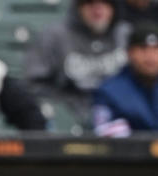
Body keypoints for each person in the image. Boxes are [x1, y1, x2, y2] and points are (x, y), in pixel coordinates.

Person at [23, 0, 128, 128]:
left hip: (121, 115)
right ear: (78, 7)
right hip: (68, 115)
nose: (98, 9)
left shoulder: (126, 35)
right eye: (90, 3)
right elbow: (34, 83)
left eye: (105, 3)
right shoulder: (55, 36)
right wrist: (65, 103)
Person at [92, 21, 158, 135]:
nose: (150, 56)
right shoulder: (110, 91)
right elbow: (102, 133)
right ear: (129, 53)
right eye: (143, 48)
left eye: (157, 48)